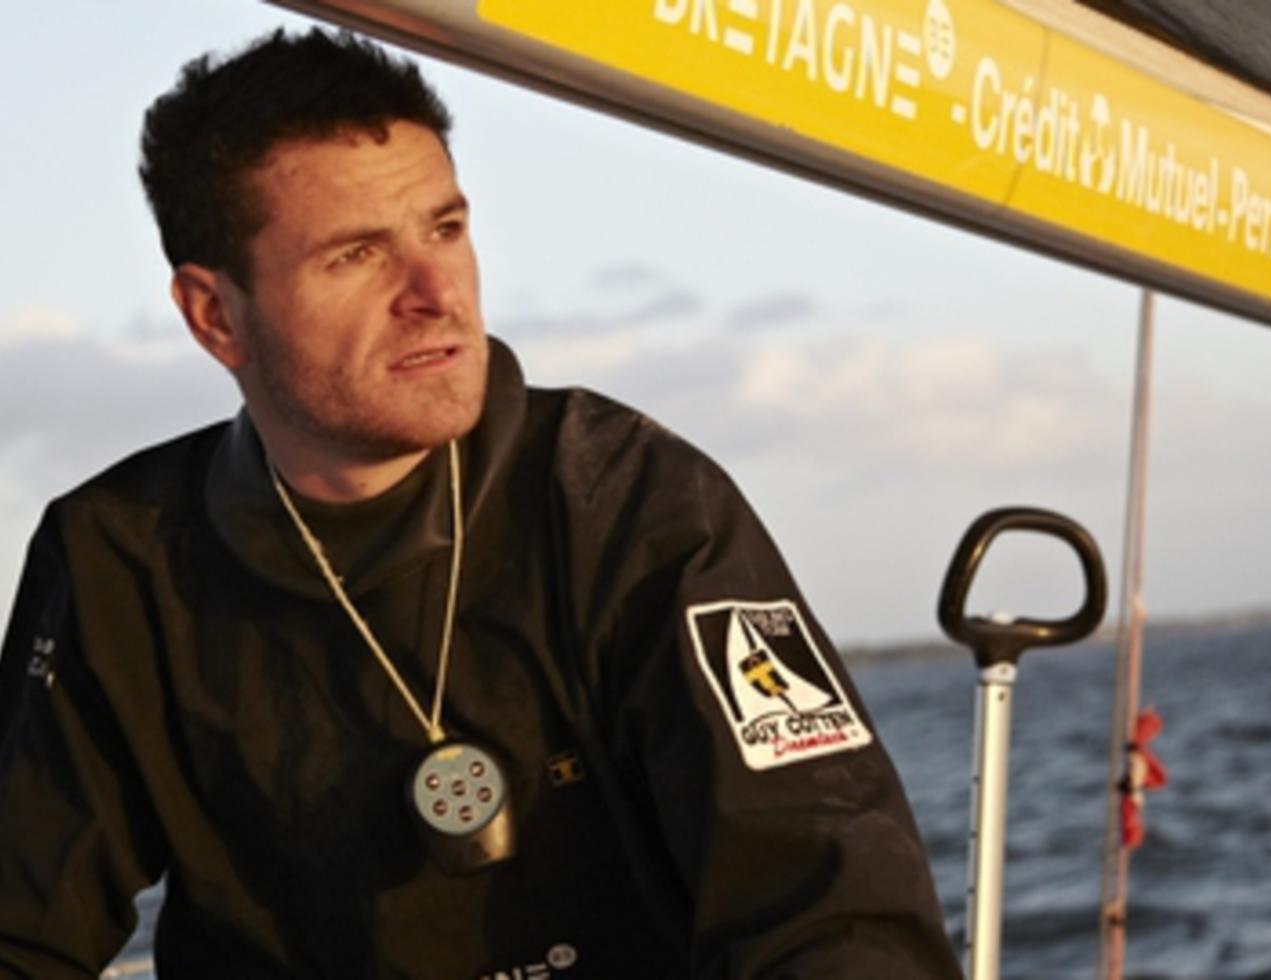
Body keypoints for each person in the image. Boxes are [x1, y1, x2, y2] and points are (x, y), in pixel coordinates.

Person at [0, 27, 961, 979]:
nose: (434, 292)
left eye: (445, 230)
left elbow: (837, 912)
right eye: (355, 254)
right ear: (216, 316)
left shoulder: (629, 503)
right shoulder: (118, 559)